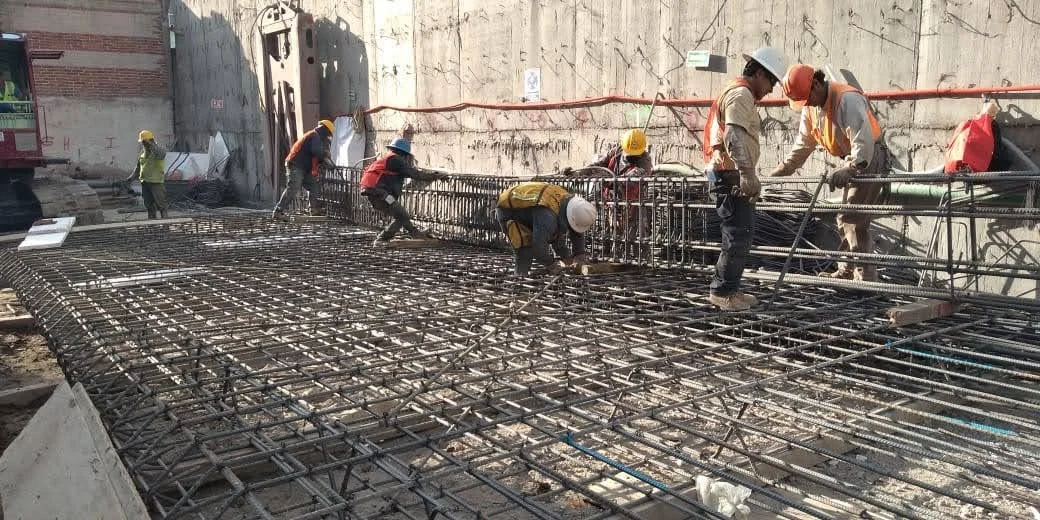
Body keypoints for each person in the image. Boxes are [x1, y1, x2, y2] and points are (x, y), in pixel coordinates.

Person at [769, 64, 889, 282]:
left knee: (852, 218)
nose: (806, 105)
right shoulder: (810, 107)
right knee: (845, 218)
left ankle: (864, 277)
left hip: (869, 158)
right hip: (852, 160)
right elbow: (803, 145)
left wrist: (851, 168)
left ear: (815, 84)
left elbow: (863, 143)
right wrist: (781, 170)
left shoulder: (847, 100)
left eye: (806, 99)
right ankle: (848, 270)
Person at [702, 47, 788, 311]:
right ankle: (722, 291)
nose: (771, 89)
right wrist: (747, 173)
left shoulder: (739, 93)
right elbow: (733, 136)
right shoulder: (741, 94)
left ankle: (731, 289)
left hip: (729, 172)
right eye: (771, 81)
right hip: (729, 175)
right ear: (759, 73)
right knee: (738, 234)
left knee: (743, 233)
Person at [569, 129, 653, 258]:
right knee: (615, 234)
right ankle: (617, 260)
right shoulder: (615, 152)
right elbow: (597, 166)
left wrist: (613, 181)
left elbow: (634, 176)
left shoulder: (644, 159)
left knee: (638, 237)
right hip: (614, 203)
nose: (632, 155)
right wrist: (577, 173)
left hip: (635, 205)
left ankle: (641, 264)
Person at [496, 181, 597, 276]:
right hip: (508, 209)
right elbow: (538, 249)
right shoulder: (548, 218)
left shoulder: (572, 205)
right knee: (524, 250)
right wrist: (551, 264)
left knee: (555, 233)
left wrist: (579, 254)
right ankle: (519, 280)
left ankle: (565, 258)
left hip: (535, 208)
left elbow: (576, 231)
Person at [360, 138, 444, 245]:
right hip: (381, 194)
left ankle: (414, 233)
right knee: (402, 215)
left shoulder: (388, 159)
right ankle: (383, 239)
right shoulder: (397, 160)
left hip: (375, 193)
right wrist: (435, 176)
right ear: (404, 153)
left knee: (401, 215)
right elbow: (415, 174)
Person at [273, 119, 334, 220]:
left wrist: (325, 160)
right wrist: (325, 157)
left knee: (313, 185)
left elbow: (315, 154)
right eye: (328, 134)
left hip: (304, 168)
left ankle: (313, 210)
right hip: (296, 165)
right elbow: (316, 151)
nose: (328, 137)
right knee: (293, 188)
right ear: (325, 130)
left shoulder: (316, 137)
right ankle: (278, 211)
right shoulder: (314, 136)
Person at [125, 130, 168, 219]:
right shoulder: (143, 153)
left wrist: (151, 143)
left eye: (144, 142)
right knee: (149, 206)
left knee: (161, 205)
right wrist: (130, 178)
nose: (143, 144)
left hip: (156, 183)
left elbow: (162, 153)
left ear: (149, 141)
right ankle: (152, 225)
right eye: (142, 142)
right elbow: (138, 168)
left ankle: (165, 226)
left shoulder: (158, 152)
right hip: (145, 183)